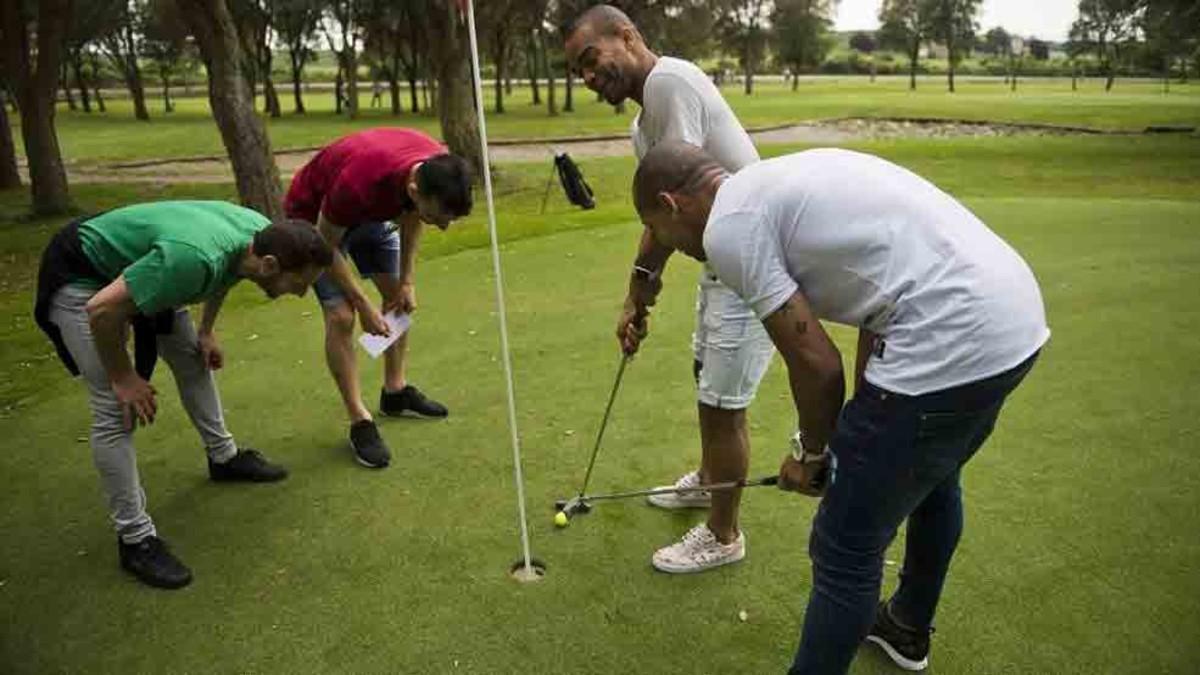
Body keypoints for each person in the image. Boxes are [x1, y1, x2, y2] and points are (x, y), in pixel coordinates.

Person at [633, 142, 1049, 673]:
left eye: (657, 231)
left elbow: (815, 363)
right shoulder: (778, 181)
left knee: (844, 549)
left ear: (672, 205)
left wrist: (813, 453)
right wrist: (857, 429)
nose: (672, 247)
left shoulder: (727, 229)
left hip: (950, 332)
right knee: (935, 480)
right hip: (1013, 321)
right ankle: (905, 626)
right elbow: (872, 310)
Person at [565, 4, 775, 574]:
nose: (587, 77)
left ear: (627, 36)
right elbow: (662, 218)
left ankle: (724, 535)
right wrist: (639, 293)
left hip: (752, 261)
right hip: (719, 262)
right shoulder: (641, 126)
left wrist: (640, 291)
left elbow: (678, 192)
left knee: (721, 403)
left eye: (591, 59)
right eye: (578, 72)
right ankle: (710, 481)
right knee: (705, 378)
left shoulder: (670, 82)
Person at [33, 201, 334, 590]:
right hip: (82, 274)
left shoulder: (257, 238)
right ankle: (135, 539)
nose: (300, 294)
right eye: (300, 284)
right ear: (271, 265)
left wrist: (206, 329)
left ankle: (223, 459)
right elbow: (102, 311)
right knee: (114, 408)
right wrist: (123, 376)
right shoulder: (191, 260)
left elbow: (230, 271)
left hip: (145, 263)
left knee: (195, 359)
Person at [284, 128, 473, 468]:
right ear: (415, 191)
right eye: (439, 217)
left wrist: (407, 282)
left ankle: (395, 392)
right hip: (316, 219)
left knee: (397, 299)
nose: (443, 227)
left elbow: (414, 218)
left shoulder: (434, 168)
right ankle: (360, 420)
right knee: (341, 315)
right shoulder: (360, 182)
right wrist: (362, 304)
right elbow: (326, 245)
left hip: (372, 212)